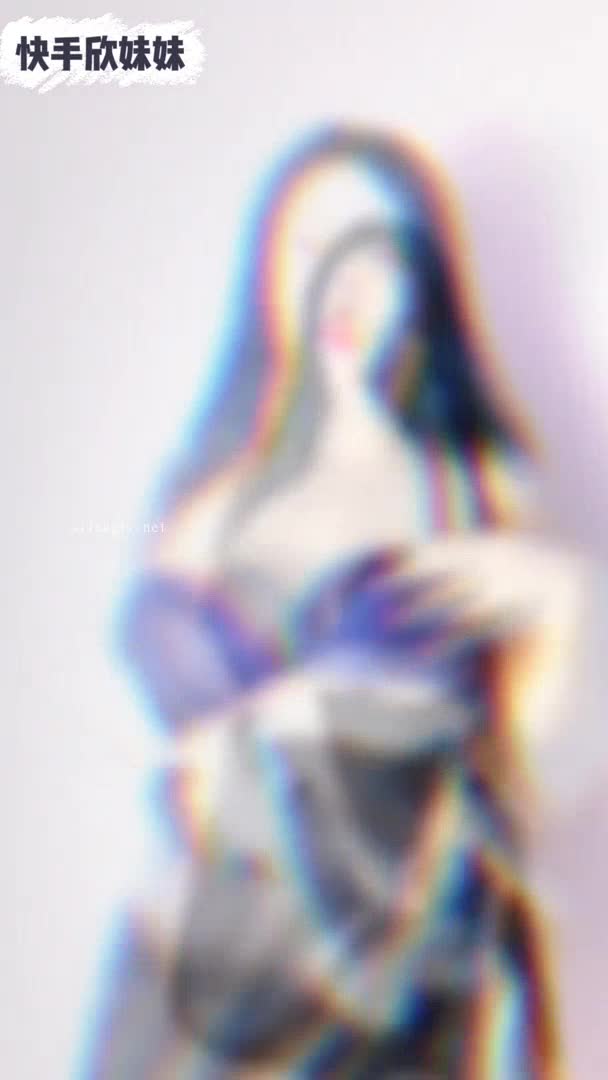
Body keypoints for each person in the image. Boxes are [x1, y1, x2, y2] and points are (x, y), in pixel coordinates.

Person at [86, 126, 590, 1078]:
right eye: (312, 249)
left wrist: (558, 604)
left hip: (395, 993)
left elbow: (538, 777)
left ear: (422, 279)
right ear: (269, 274)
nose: (341, 288)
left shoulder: (470, 494)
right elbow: (137, 750)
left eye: (374, 254)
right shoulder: (207, 493)